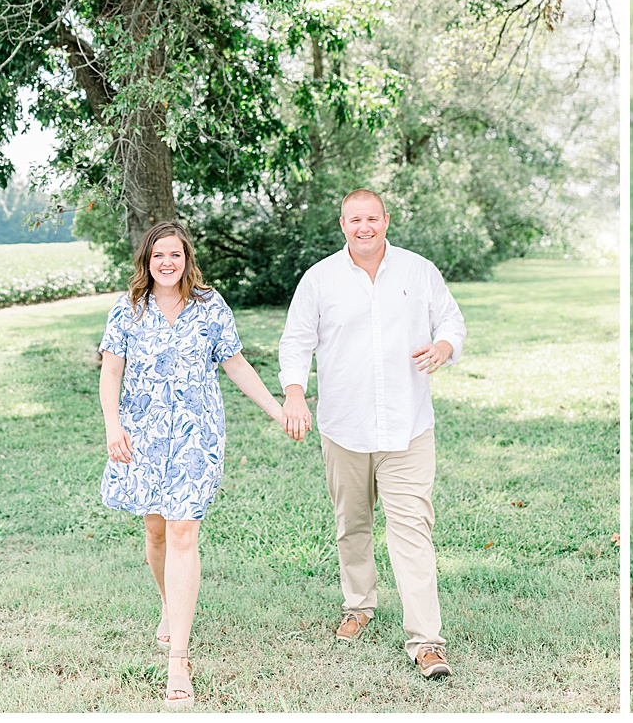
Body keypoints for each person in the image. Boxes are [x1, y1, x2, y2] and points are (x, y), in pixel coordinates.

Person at [99, 218, 292, 708]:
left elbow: (235, 363)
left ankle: (178, 659)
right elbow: (111, 372)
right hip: (141, 436)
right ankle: (168, 604)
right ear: (147, 260)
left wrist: (277, 408)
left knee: (184, 531)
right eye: (158, 254)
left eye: (176, 255)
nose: (167, 262)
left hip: (195, 438)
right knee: (156, 531)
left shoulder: (210, 307)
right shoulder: (127, 310)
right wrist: (112, 427)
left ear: (187, 260)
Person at [278, 188, 467, 680]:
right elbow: (296, 341)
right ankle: (359, 605)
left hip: (408, 428)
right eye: (354, 220)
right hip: (344, 427)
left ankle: (426, 641)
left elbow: (451, 319)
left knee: (412, 532)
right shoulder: (319, 279)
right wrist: (295, 392)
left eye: (372, 219)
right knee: (353, 526)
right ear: (342, 224)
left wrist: (445, 345)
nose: (364, 227)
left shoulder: (418, 270)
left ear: (386, 220)